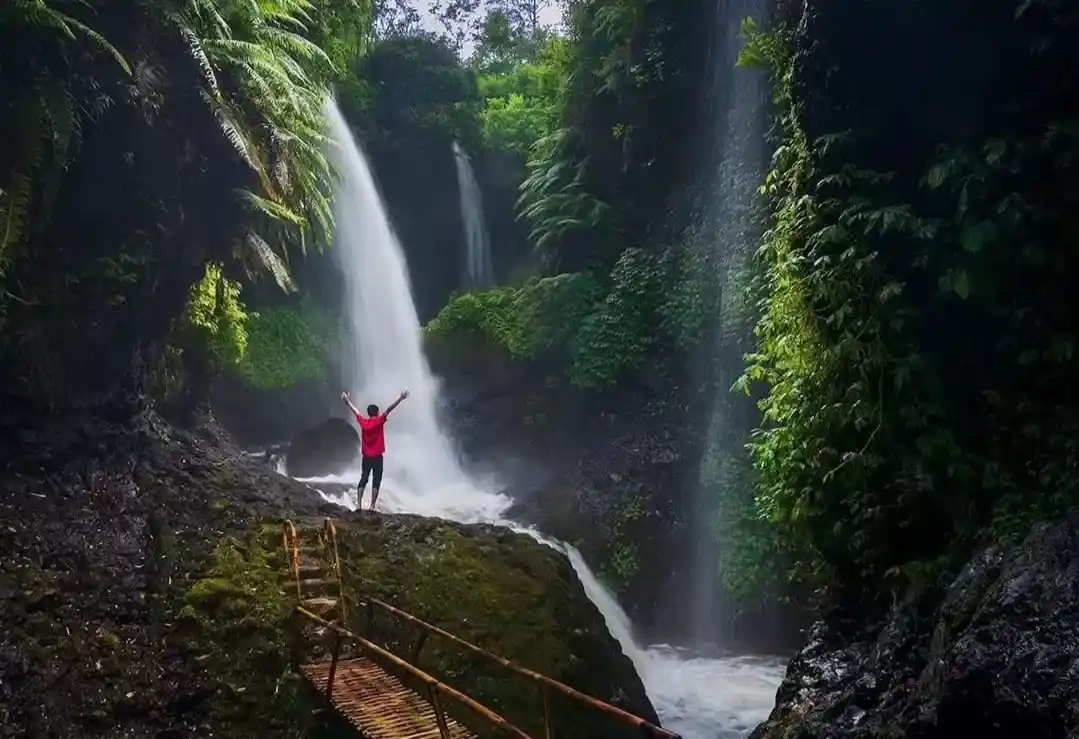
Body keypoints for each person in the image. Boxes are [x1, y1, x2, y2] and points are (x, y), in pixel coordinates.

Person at [341, 389, 409, 511]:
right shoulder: (379, 421)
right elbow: (389, 409)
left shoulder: (363, 422)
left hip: (366, 456)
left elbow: (355, 411)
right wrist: (401, 398)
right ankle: (372, 506)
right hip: (377, 456)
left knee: (364, 478)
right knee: (376, 480)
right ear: (376, 413)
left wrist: (347, 401)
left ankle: (358, 505)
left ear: (368, 413)